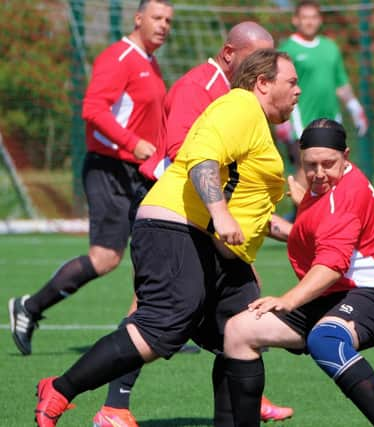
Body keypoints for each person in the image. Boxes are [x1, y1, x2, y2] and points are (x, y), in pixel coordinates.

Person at [33, 48, 301, 427]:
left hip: (213, 243)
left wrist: (308, 235)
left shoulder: (255, 124)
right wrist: (220, 213)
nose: (298, 91)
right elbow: (203, 160)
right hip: (175, 226)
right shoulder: (240, 106)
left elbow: (253, 215)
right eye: (291, 82)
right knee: (162, 326)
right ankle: (60, 389)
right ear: (262, 83)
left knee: (241, 333)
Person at [8, 0, 173, 355]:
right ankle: (30, 307)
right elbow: (92, 109)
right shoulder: (118, 57)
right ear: (138, 18)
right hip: (109, 168)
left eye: (169, 21)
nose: (164, 25)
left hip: (141, 171)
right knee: (106, 258)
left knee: (155, 246)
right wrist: (132, 143)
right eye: (157, 18)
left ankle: (146, 332)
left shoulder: (150, 62)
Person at [222, 118, 374, 427]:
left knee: (325, 339)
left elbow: (332, 266)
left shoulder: (345, 197)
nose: (319, 173)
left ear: (346, 156)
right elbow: (311, 232)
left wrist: (289, 300)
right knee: (240, 332)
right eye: (311, 165)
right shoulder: (322, 189)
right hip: (334, 293)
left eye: (328, 164)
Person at [275, 0, 368, 189]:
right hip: (300, 121)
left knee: (332, 170)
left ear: (320, 20)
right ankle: (301, 217)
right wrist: (281, 120)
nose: (309, 22)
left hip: (330, 120)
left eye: (313, 17)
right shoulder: (287, 49)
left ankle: (327, 215)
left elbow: (341, 84)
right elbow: (278, 86)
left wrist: (355, 107)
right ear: (296, 20)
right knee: (304, 170)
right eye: (305, 18)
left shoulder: (330, 47)